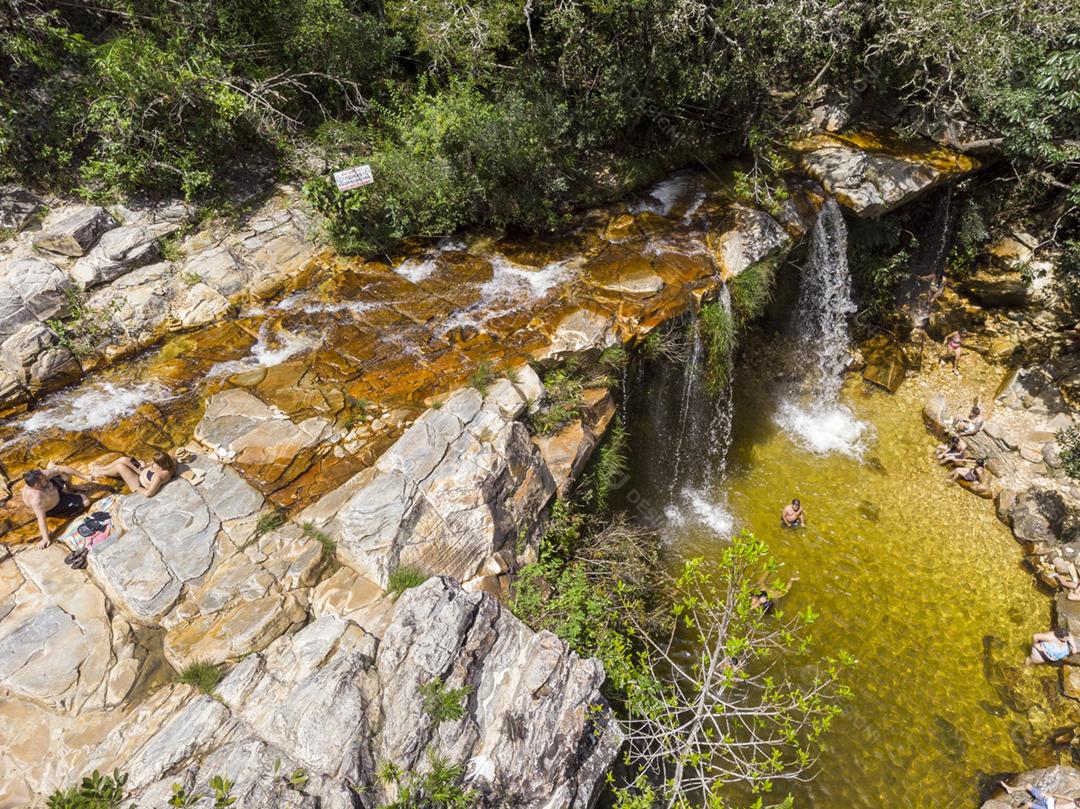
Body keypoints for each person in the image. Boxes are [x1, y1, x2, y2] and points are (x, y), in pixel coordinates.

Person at [20, 465, 104, 549]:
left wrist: (85, 477)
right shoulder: (35, 498)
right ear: (36, 485)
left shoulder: (43, 476)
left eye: (43, 475)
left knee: (64, 473)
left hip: (56, 490)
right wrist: (45, 539)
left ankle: (71, 487)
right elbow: (41, 518)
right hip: (54, 505)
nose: (46, 477)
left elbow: (62, 468)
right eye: (43, 479)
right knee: (86, 501)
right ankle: (67, 494)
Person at [89, 450, 176, 497]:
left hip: (139, 483)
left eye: (155, 462)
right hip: (143, 471)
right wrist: (145, 465)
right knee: (124, 459)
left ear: (160, 465)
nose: (154, 463)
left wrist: (137, 488)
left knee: (120, 467)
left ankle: (101, 472)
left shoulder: (159, 476)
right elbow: (152, 464)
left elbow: (148, 494)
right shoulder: (170, 460)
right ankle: (102, 468)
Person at [999, 780, 1079, 809]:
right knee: (1028, 786)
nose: (1078, 802)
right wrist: (1048, 794)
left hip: (1049, 808)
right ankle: (1011, 789)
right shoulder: (1074, 800)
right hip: (1050, 800)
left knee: (1029, 804)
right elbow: (1060, 796)